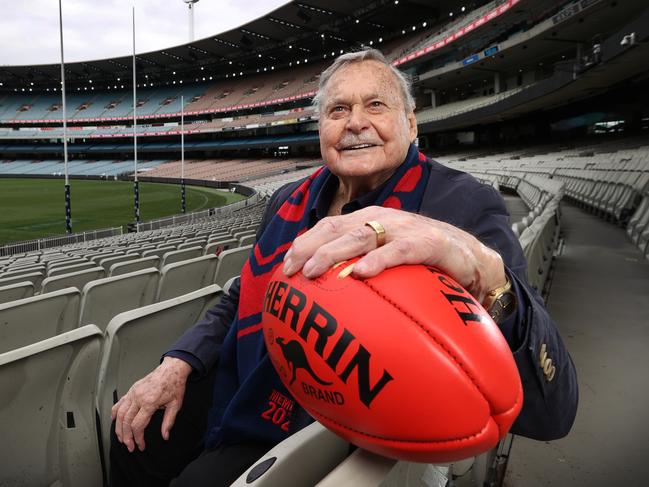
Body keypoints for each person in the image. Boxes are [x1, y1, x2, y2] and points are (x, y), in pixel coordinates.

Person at [110, 49, 578, 486]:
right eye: (337, 110)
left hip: (328, 428)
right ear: (320, 129)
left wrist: (484, 271)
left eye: (375, 105)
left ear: (411, 125)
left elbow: (549, 411)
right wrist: (179, 362)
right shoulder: (286, 201)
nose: (355, 123)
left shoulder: (462, 204)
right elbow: (243, 296)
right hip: (246, 376)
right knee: (134, 437)